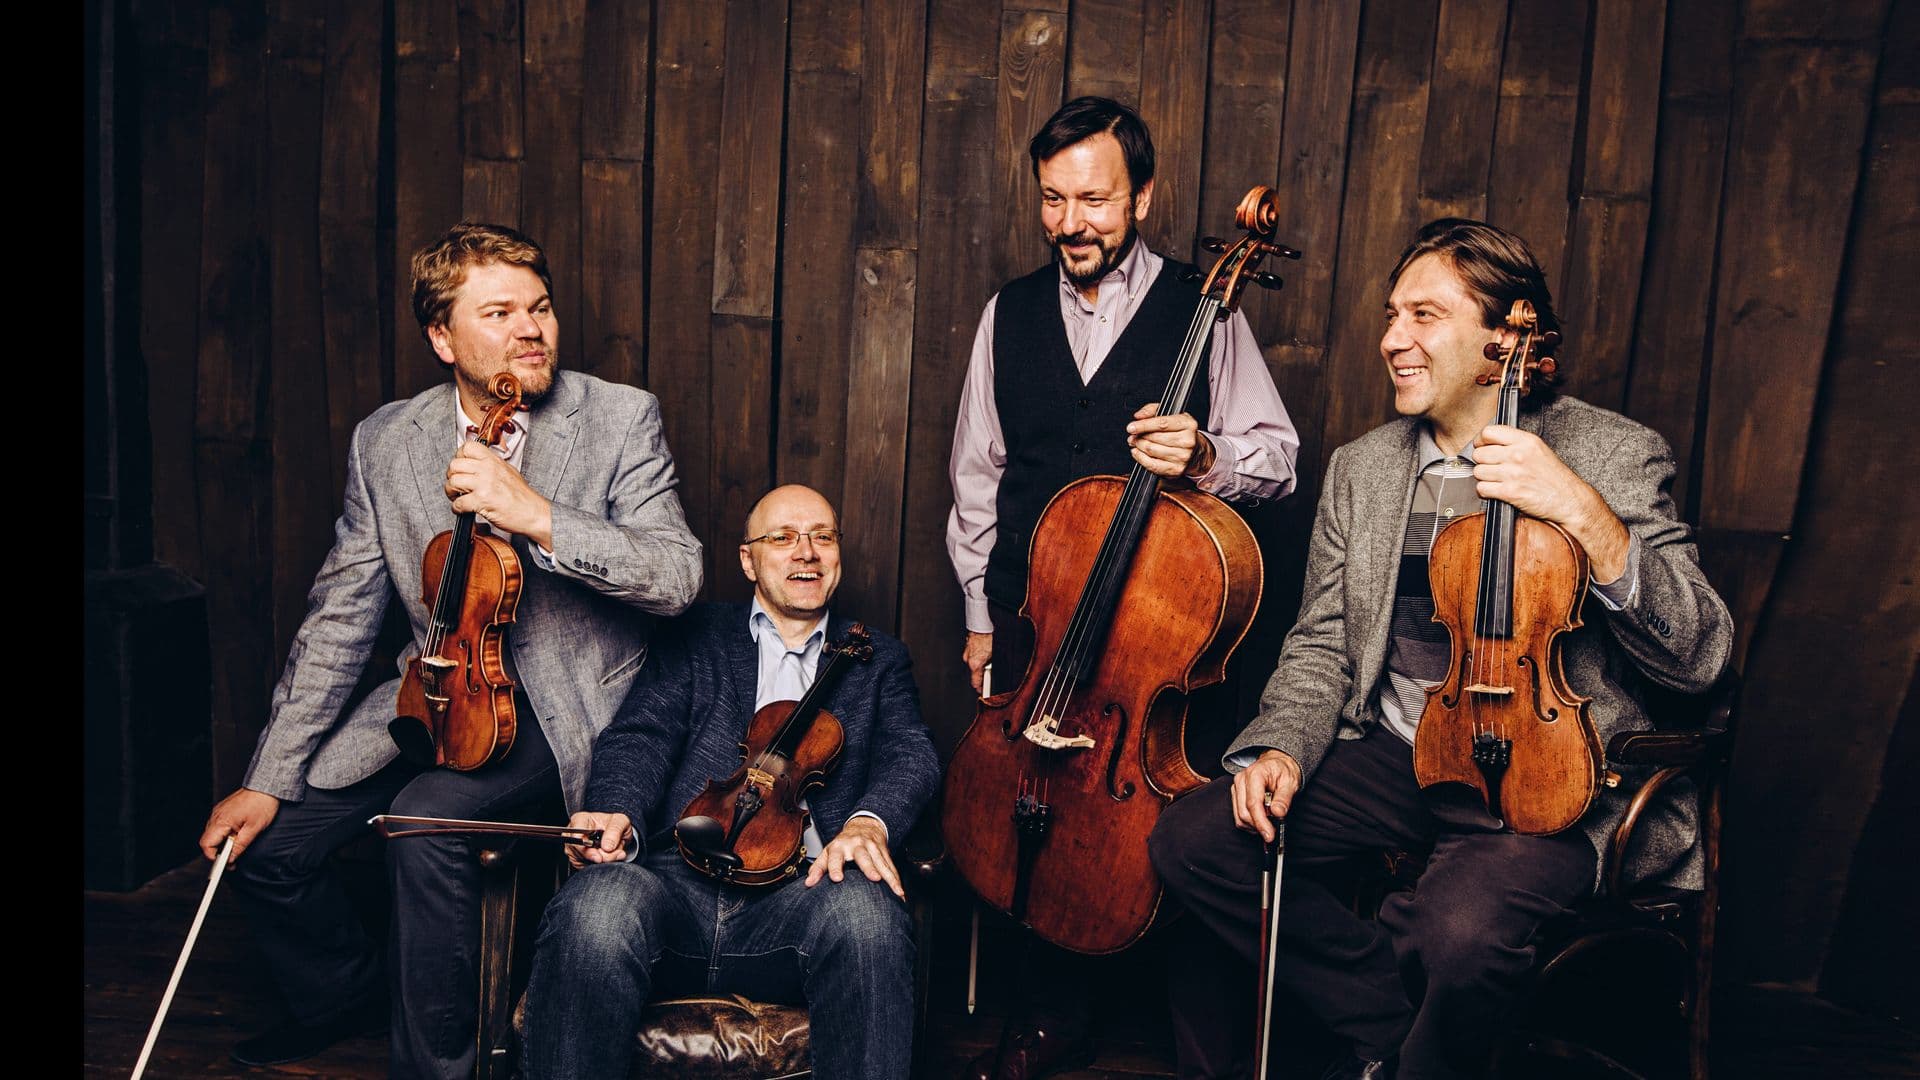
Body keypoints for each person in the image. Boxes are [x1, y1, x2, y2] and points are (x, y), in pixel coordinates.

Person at [1147, 218, 1735, 1080]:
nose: (1393, 339)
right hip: (1400, 752)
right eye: (1391, 316)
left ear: (1504, 337)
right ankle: (1395, 1033)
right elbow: (1322, 642)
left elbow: (1704, 656)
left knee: (1457, 934)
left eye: (1424, 315)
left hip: (1550, 778)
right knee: (1195, 839)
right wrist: (1280, 746)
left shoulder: (1610, 451)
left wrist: (1584, 512)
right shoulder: (1364, 468)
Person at [195, 222, 704, 1078]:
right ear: (442, 337)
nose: (531, 330)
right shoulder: (386, 440)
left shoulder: (618, 417)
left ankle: (441, 1067)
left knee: (426, 816)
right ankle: (344, 996)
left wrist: (534, 513)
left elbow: (677, 576)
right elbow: (340, 618)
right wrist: (264, 778)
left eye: (539, 307)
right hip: (436, 691)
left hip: (559, 707)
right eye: (498, 313)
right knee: (269, 848)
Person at [945, 95, 1300, 1079]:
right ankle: (1045, 1014)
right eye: (1053, 199)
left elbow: (1279, 458)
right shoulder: (1008, 312)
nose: (1071, 224)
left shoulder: (1205, 306)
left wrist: (1208, 453)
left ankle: (1186, 1040)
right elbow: (979, 472)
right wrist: (980, 614)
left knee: (1152, 820)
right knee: (1033, 809)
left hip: (1155, 627)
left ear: (1142, 195)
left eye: (1094, 200)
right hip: (1037, 614)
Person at [519, 484, 942, 1080]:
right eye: (783, 537)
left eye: (822, 537)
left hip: (802, 894)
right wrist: (615, 811)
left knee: (868, 918)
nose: (806, 552)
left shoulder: (879, 658)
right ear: (748, 559)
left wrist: (867, 825)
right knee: (597, 906)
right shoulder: (699, 634)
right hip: (675, 882)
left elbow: (911, 754)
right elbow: (642, 735)